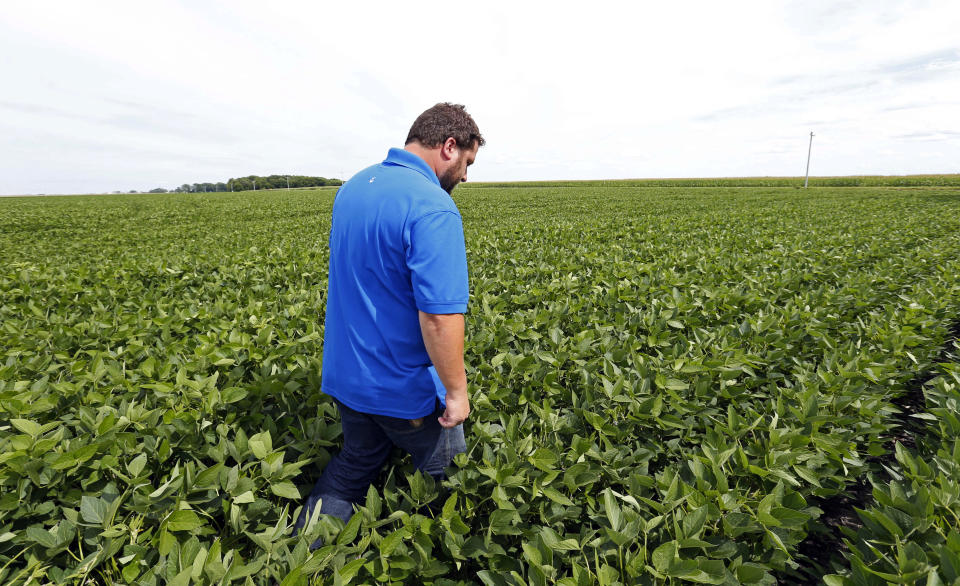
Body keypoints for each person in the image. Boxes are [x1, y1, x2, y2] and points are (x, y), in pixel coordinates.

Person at [294, 103, 484, 540]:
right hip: (403, 390)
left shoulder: (354, 187)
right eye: (468, 163)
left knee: (354, 464)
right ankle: (440, 556)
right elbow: (439, 317)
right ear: (449, 147)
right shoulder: (433, 206)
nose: (466, 177)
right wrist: (457, 394)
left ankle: (294, 560)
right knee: (450, 481)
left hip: (348, 379)